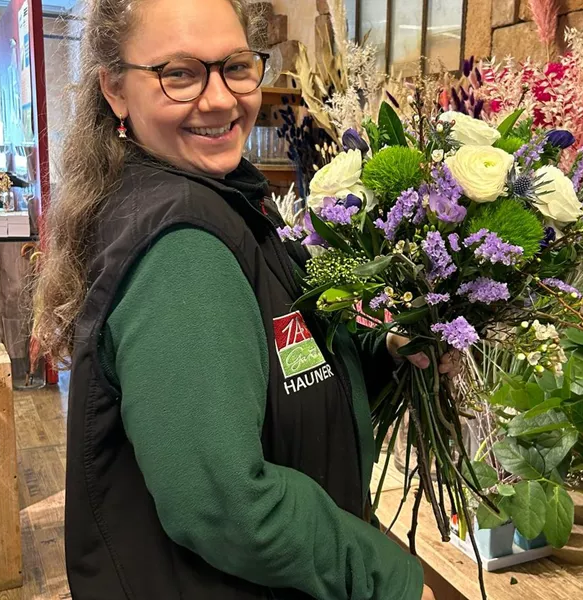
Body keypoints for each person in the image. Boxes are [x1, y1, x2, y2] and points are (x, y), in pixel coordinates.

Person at [33, 0, 439, 598]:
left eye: (236, 66)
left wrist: (385, 354)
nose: (221, 99)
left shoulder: (219, 199)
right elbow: (227, 505)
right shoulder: (184, 250)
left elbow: (279, 371)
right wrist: (385, 578)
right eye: (179, 74)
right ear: (115, 90)